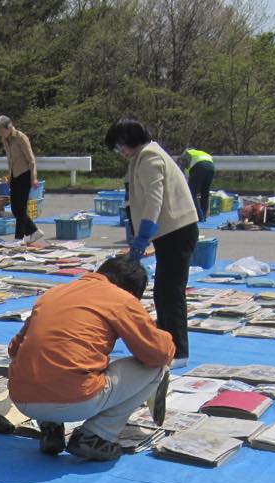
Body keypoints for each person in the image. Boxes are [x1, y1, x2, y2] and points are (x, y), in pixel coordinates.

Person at [7, 257, 174, 462]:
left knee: (40, 361)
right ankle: (97, 435)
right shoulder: (120, 299)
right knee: (156, 368)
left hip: (23, 400)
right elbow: (158, 354)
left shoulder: (53, 293)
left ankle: (50, 427)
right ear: (131, 291)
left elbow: (15, 349)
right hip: (75, 400)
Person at [104, 117, 198, 363]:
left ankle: (179, 350)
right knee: (163, 291)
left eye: (118, 146)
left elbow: (154, 200)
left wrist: (143, 235)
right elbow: (134, 197)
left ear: (129, 140)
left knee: (171, 291)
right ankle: (166, 338)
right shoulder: (139, 158)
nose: (119, 152)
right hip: (167, 232)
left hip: (177, 230)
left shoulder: (150, 158)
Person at [0, 115, 44, 243]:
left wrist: (33, 178)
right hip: (14, 174)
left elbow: (31, 159)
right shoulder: (5, 140)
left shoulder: (21, 138)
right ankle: (34, 231)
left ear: (9, 127)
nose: (1, 134)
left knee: (21, 207)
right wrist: (9, 175)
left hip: (25, 174)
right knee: (14, 208)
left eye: (2, 130)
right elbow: (9, 159)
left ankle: (19, 237)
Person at [182, 148, 215, 221]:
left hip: (199, 167)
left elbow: (182, 170)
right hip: (211, 167)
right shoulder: (200, 152)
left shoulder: (187, 154)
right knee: (205, 193)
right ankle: (204, 214)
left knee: (192, 193)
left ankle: (199, 216)